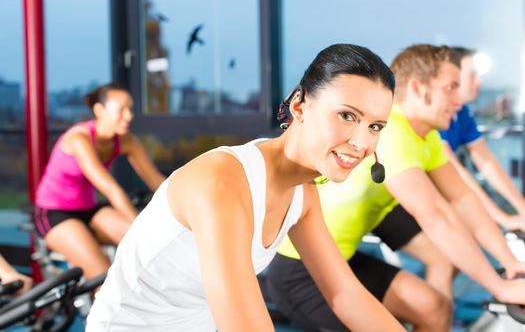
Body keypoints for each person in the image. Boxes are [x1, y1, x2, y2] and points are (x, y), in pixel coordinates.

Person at [86, 44, 405, 331]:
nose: (362, 142)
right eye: (347, 115)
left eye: (375, 126)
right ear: (299, 106)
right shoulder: (221, 180)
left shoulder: (303, 194)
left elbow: (345, 296)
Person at [266, 44, 525, 332]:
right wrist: (499, 288)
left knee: (434, 307)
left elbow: (463, 198)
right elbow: (436, 216)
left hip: (344, 253)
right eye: (451, 88)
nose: (459, 99)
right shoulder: (393, 134)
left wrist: (510, 263)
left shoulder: (427, 139)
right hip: (300, 271)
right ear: (417, 88)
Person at [34, 83, 165, 280]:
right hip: (54, 213)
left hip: (89, 209)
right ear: (99, 110)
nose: (128, 116)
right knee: (105, 278)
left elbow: (157, 182)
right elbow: (111, 189)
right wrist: (140, 227)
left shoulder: (127, 141)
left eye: (130, 109)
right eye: (121, 110)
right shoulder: (80, 139)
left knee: (153, 247)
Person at [440, 46, 525, 231]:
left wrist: (522, 208)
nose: (480, 81)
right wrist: (504, 219)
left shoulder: (461, 113)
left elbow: (487, 163)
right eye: (473, 75)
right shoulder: (436, 116)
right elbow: (456, 173)